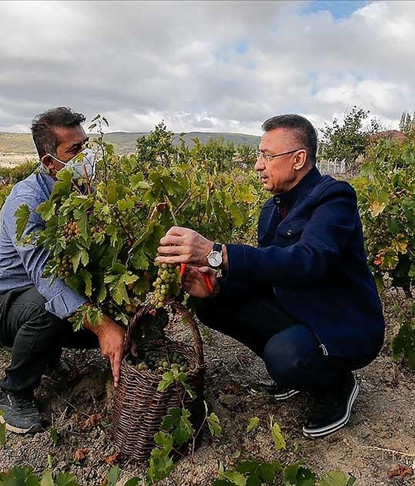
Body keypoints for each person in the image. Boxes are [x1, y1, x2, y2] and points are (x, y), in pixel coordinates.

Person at [156, 114, 385, 439]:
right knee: (212, 304)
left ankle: (337, 385)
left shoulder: (334, 199)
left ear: (298, 159)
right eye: (258, 155)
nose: (258, 165)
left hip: (342, 325)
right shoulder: (272, 209)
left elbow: (311, 260)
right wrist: (215, 285)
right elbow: (268, 271)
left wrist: (216, 252)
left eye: (267, 155)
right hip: (300, 309)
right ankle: (298, 368)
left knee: (284, 356)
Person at [0, 107, 128, 435]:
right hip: (3, 305)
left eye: (86, 146)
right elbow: (46, 278)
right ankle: (14, 392)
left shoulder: (81, 191)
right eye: (74, 150)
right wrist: (103, 327)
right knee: (49, 305)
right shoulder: (26, 201)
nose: (85, 156)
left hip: (38, 296)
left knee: (109, 313)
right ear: (49, 163)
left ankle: (47, 355)